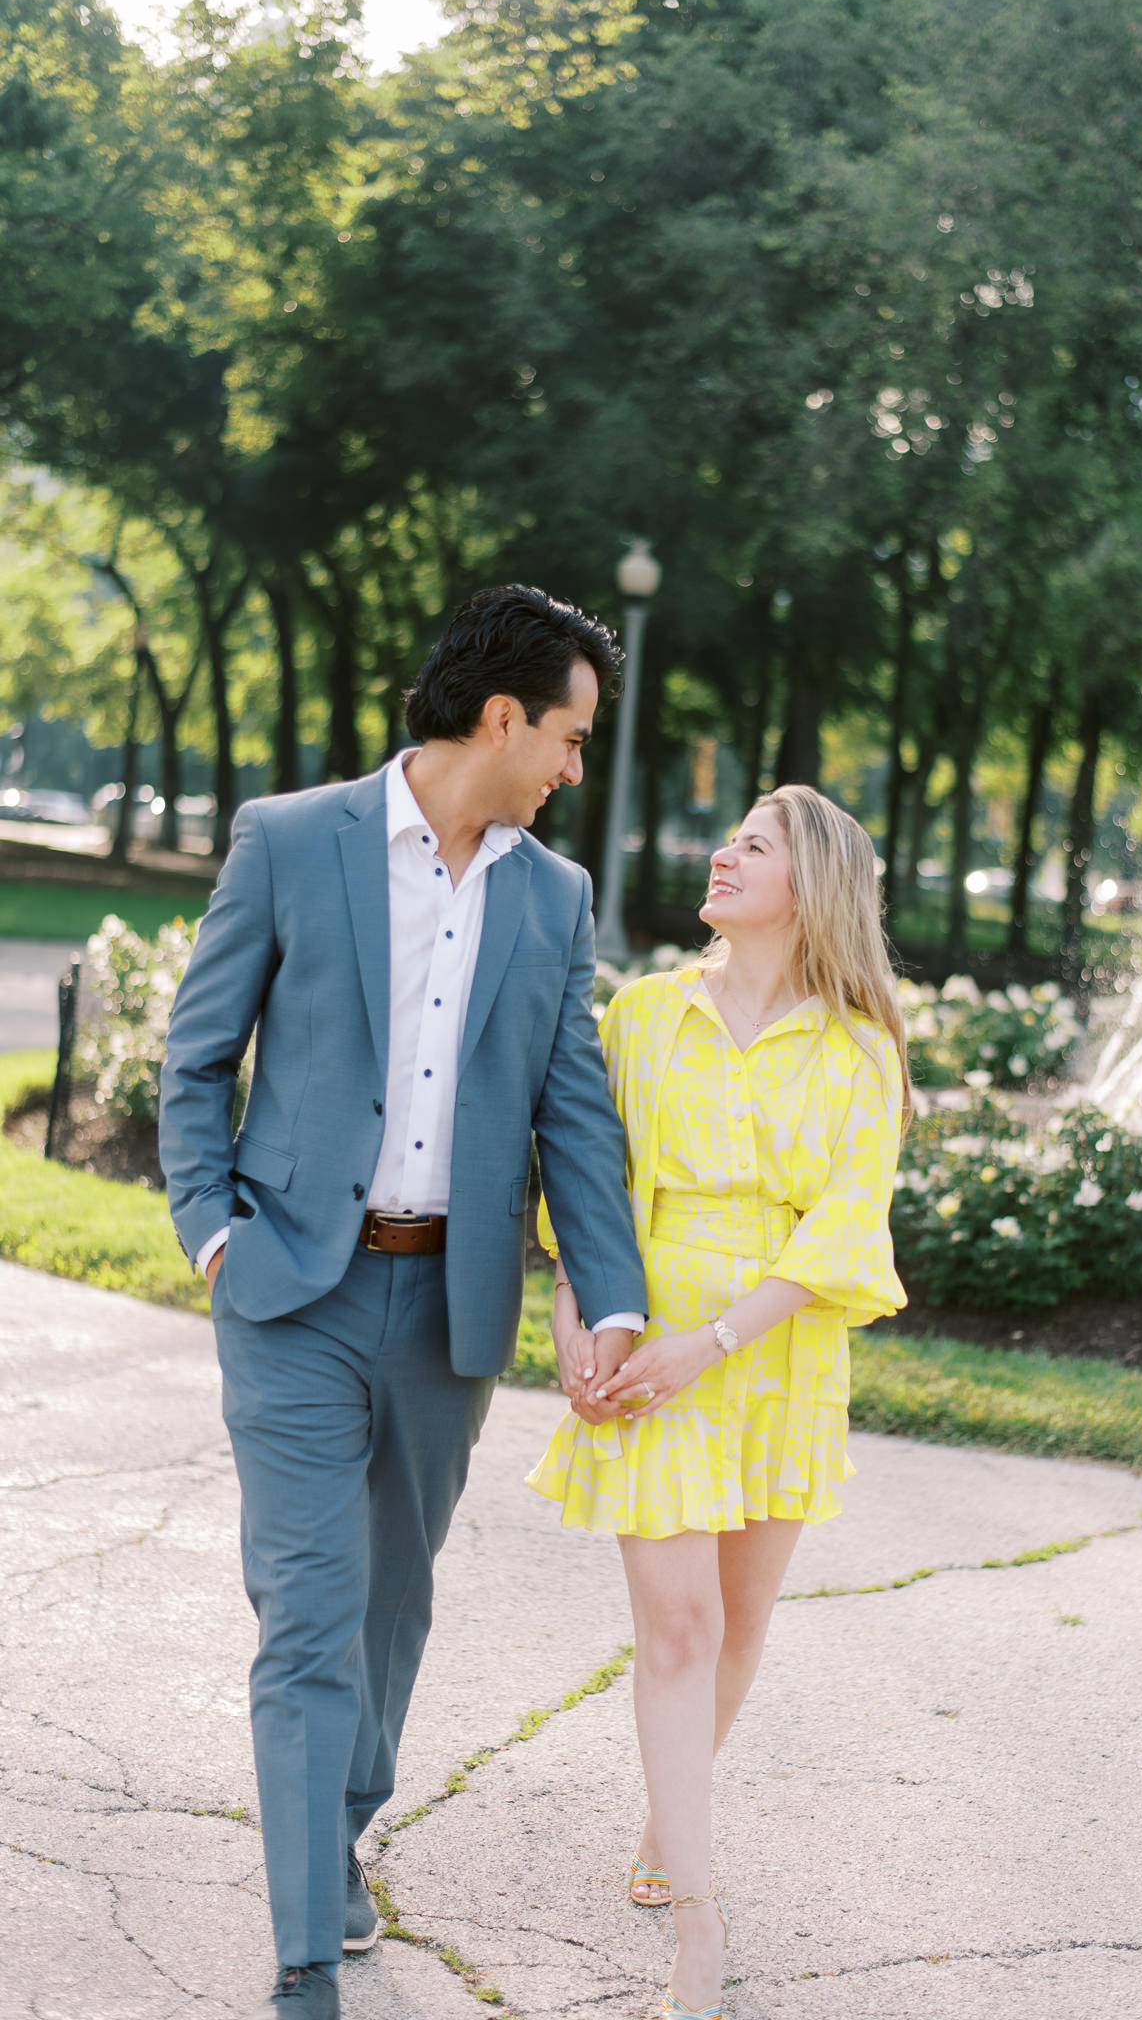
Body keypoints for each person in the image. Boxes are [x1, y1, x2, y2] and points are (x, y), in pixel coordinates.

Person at [159, 585, 648, 2020]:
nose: (573, 768)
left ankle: (340, 1828)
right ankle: (305, 1955)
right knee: (309, 1611)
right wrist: (213, 1239)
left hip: (449, 1311)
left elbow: (574, 1116)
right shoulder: (290, 840)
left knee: (391, 1609)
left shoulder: (549, 898)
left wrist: (602, 1297)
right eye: (567, 738)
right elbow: (195, 1064)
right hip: (290, 1293)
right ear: (501, 718)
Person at [527, 784, 910, 2020]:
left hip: (772, 1352)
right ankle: (698, 1923)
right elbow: (588, 1183)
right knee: (679, 1631)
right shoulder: (642, 1018)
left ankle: (663, 1819)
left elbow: (845, 1225)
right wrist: (576, 1317)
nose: (721, 853)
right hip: (649, 1345)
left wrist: (720, 1339)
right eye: (727, 837)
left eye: (753, 844)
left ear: (813, 886)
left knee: (739, 1631)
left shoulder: (859, 1051)